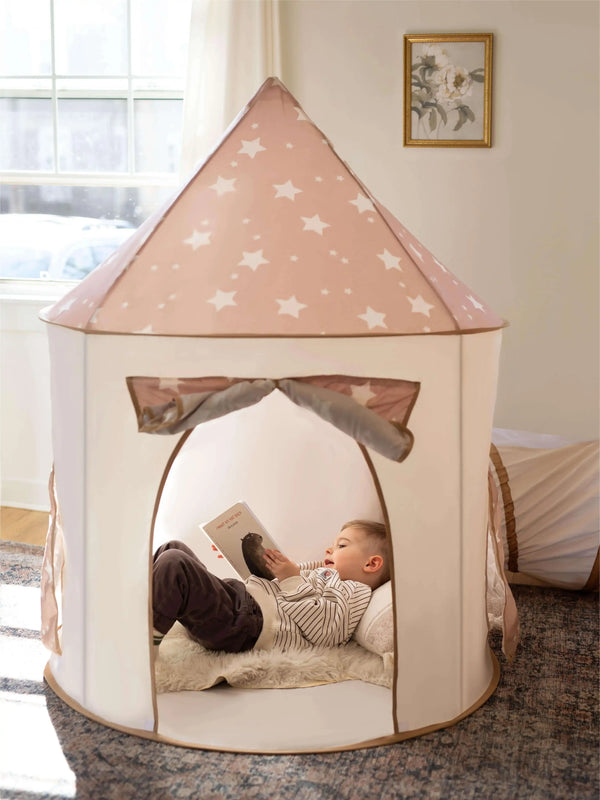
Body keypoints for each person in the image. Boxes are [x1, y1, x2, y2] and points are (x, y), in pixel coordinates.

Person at [152, 520, 390, 654]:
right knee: (172, 548)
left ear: (371, 563)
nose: (329, 550)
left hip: (248, 625)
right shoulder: (321, 574)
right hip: (242, 601)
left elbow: (325, 630)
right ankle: (146, 616)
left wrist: (292, 578)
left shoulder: (355, 592)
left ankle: (147, 640)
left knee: (174, 563)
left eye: (341, 546)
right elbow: (277, 581)